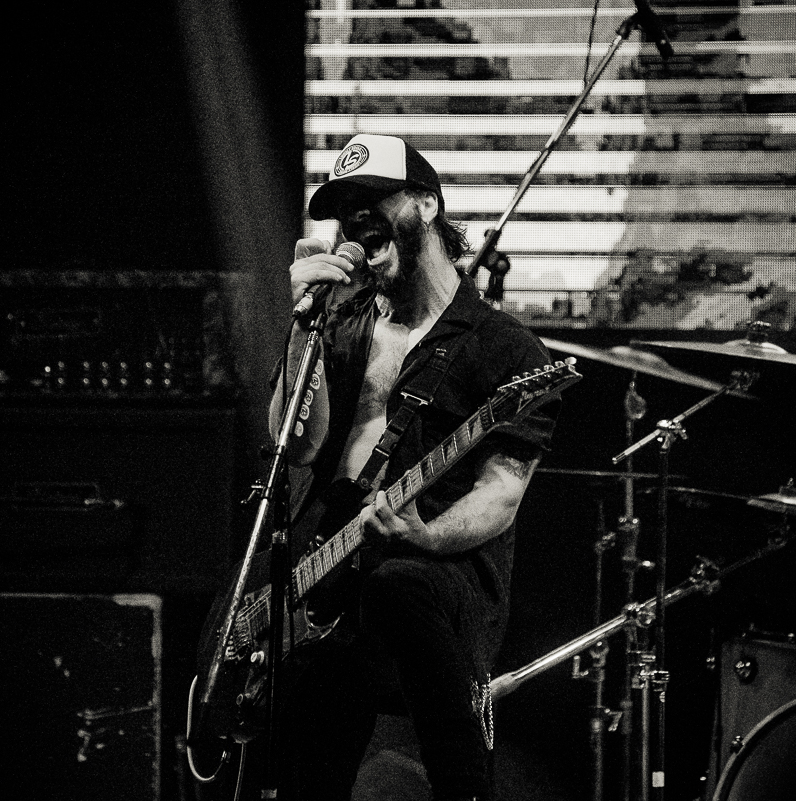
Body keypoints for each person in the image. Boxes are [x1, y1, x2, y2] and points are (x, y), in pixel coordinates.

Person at [265, 134, 562, 801]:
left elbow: (503, 491)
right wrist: (302, 328)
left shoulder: (503, 346)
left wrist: (427, 534)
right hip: (330, 567)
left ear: (427, 205)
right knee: (315, 705)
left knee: (398, 583)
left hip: (440, 576)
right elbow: (297, 445)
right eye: (345, 210)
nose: (357, 220)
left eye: (373, 200)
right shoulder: (340, 326)